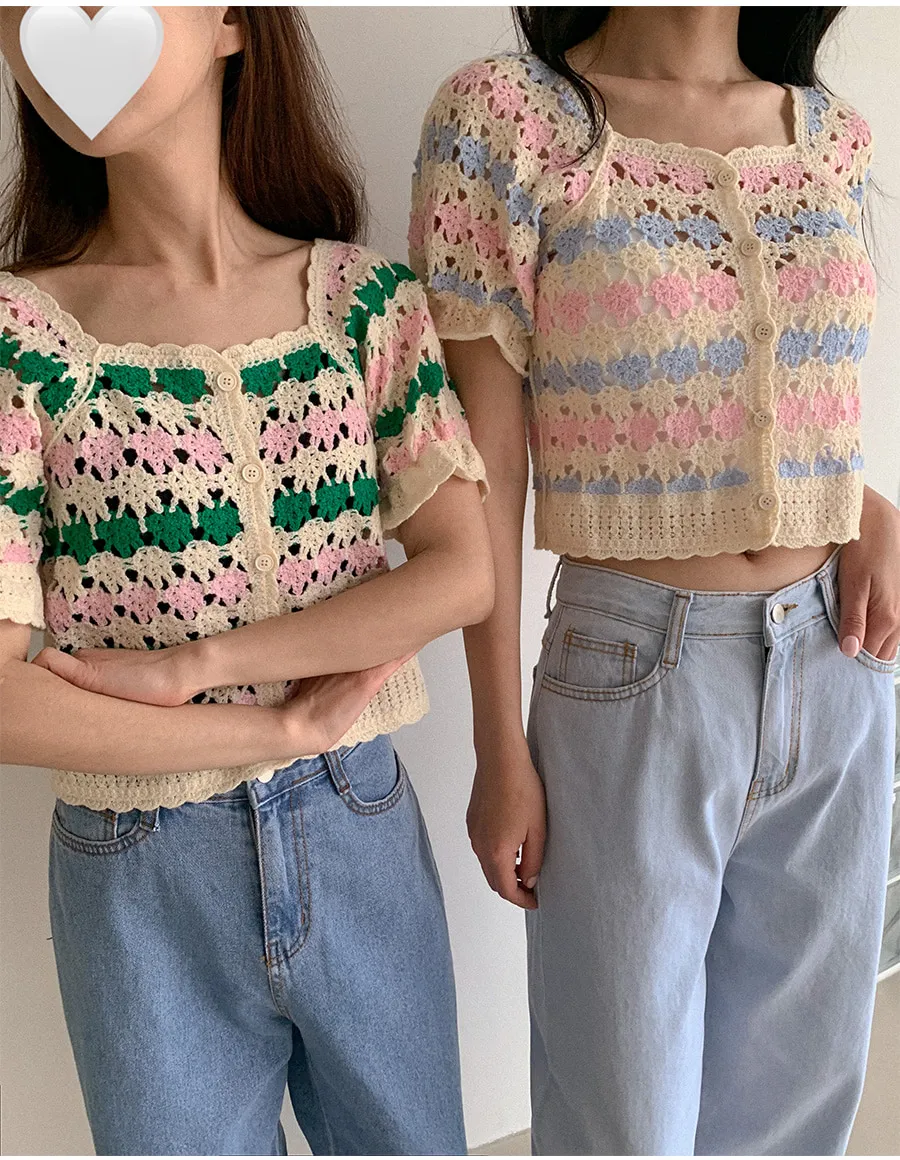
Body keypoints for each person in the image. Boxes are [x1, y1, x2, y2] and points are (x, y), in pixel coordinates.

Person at [0, 6, 491, 1155]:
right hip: (138, 870)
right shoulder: (18, 337)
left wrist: (203, 666)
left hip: (359, 819)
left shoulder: (363, 304)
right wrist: (272, 730)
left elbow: (462, 569)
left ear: (231, 21)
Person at [410, 5, 900, 1154]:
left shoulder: (829, 135)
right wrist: (498, 743)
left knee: (794, 1117)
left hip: (839, 665)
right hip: (634, 672)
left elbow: (788, 396)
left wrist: (866, 508)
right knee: (619, 1123)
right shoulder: (510, 121)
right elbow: (486, 464)